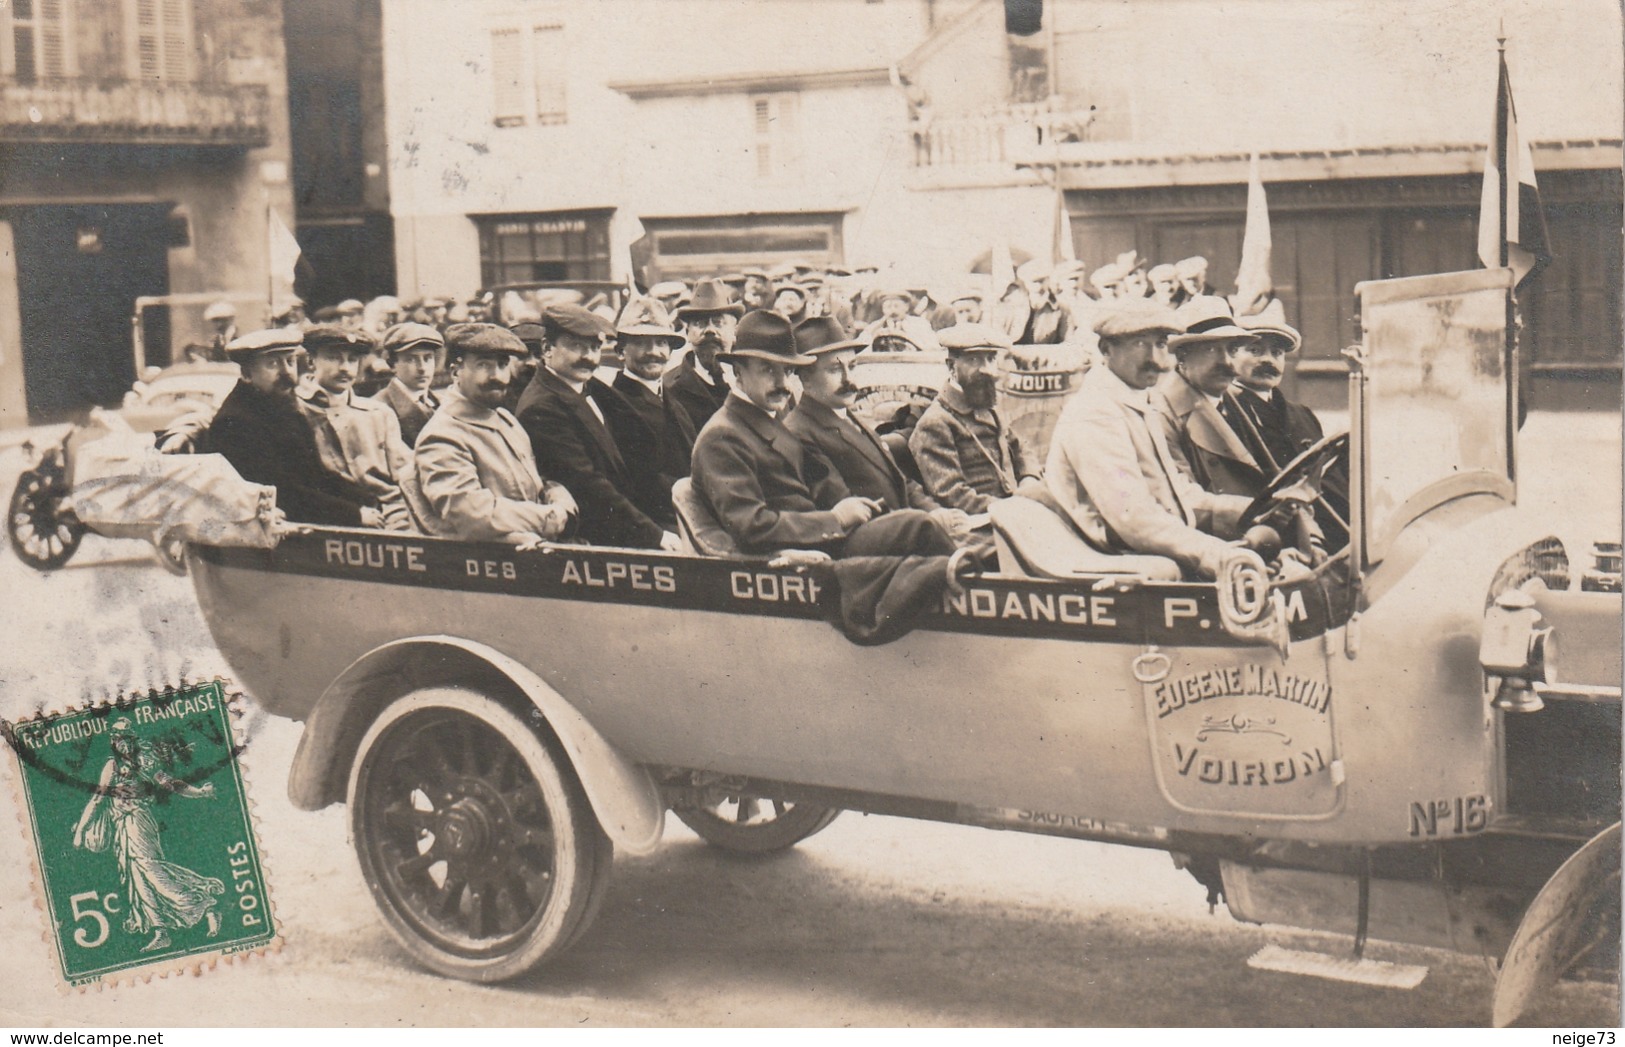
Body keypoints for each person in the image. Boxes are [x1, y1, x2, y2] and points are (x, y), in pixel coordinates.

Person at [690, 310, 953, 558]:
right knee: (917, 527)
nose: (782, 383)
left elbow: (822, 486)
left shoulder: (768, 420)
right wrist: (835, 519)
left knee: (928, 535)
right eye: (768, 370)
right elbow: (750, 526)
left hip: (824, 540)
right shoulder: (723, 436)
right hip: (814, 551)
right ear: (738, 372)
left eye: (787, 371)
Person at [1045, 300, 1255, 580]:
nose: (1157, 359)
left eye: (1159, 343)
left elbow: (1177, 494)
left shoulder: (1139, 401)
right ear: (1106, 350)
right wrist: (1213, 553)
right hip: (1110, 556)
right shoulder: (1095, 412)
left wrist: (1248, 512)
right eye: (1140, 344)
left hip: (1144, 547)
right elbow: (1133, 517)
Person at [786, 317, 972, 541]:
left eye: (852, 366)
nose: (848, 379)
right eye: (835, 369)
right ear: (805, 377)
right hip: (873, 543)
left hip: (908, 532)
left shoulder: (848, 416)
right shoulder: (799, 432)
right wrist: (928, 522)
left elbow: (901, 482)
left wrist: (936, 512)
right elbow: (846, 507)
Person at [515, 304, 678, 550]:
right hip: (596, 534)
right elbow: (587, 487)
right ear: (548, 349)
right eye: (577, 346)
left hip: (626, 517)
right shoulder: (543, 406)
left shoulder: (586, 387)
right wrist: (656, 535)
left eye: (594, 347)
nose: (589, 357)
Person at [415, 323, 578, 544]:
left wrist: (559, 498)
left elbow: (537, 484)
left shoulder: (505, 419)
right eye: (484, 365)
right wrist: (549, 516)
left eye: (502, 365)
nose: (497, 376)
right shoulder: (442, 435)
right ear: (455, 372)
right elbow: (473, 516)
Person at [72, 718, 224, 953]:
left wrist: (200, 793)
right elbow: (97, 798)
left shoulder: (145, 763)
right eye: (117, 739)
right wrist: (82, 828)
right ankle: (161, 932)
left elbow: (173, 784)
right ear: (112, 741)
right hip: (122, 826)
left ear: (132, 741)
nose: (122, 744)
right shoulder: (112, 767)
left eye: (126, 739)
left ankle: (204, 905)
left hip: (139, 823)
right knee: (138, 879)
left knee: (153, 872)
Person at [208, 327, 383, 527]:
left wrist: (364, 499)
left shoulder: (281, 403)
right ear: (247, 373)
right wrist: (355, 514)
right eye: (272, 364)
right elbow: (283, 493)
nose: (286, 373)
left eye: (290, 361)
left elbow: (316, 474)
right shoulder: (236, 422)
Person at [298, 324, 422, 532]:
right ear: (311, 361)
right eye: (333, 357)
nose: (345, 367)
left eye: (352, 360)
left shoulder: (377, 413)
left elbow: (405, 474)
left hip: (391, 516)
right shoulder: (297, 411)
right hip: (331, 520)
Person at [909, 323, 1037, 514]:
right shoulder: (936, 423)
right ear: (952, 366)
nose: (987, 370)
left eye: (991, 359)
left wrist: (1029, 478)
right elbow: (952, 494)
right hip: (979, 522)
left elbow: (1020, 447)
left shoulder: (988, 407)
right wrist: (1010, 509)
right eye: (975, 359)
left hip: (1013, 511)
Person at [1152, 296, 1269, 499]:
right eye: (1212, 349)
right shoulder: (1162, 414)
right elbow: (1184, 499)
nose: (1226, 362)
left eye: (1232, 350)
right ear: (1182, 357)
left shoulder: (1240, 401)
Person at [597, 297, 696, 535]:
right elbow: (642, 483)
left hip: (687, 518)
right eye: (642, 343)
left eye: (661, 343)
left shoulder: (673, 402)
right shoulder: (614, 405)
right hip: (656, 528)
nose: (653, 352)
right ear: (621, 351)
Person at [665, 278, 741, 429]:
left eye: (719, 322)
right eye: (700, 323)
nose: (710, 330)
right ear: (687, 333)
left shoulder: (750, 379)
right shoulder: (669, 387)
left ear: (734, 331)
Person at [372, 322, 442, 447]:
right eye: (411, 359)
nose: (422, 368)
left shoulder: (442, 402)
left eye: (428, 358)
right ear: (392, 364)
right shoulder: (378, 409)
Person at [860, 289, 938, 352]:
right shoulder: (873, 327)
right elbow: (861, 348)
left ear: (906, 307)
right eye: (888, 307)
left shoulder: (920, 324)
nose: (892, 311)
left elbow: (933, 348)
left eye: (897, 306)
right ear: (883, 309)